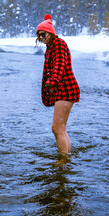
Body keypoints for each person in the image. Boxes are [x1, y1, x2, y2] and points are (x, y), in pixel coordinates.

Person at [36, 14, 80, 155]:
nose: (41, 38)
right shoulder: (51, 46)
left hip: (66, 90)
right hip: (62, 90)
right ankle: (65, 156)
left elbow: (60, 65)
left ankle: (63, 160)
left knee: (57, 128)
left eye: (43, 34)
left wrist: (52, 80)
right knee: (60, 128)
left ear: (50, 33)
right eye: (38, 36)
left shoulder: (59, 44)